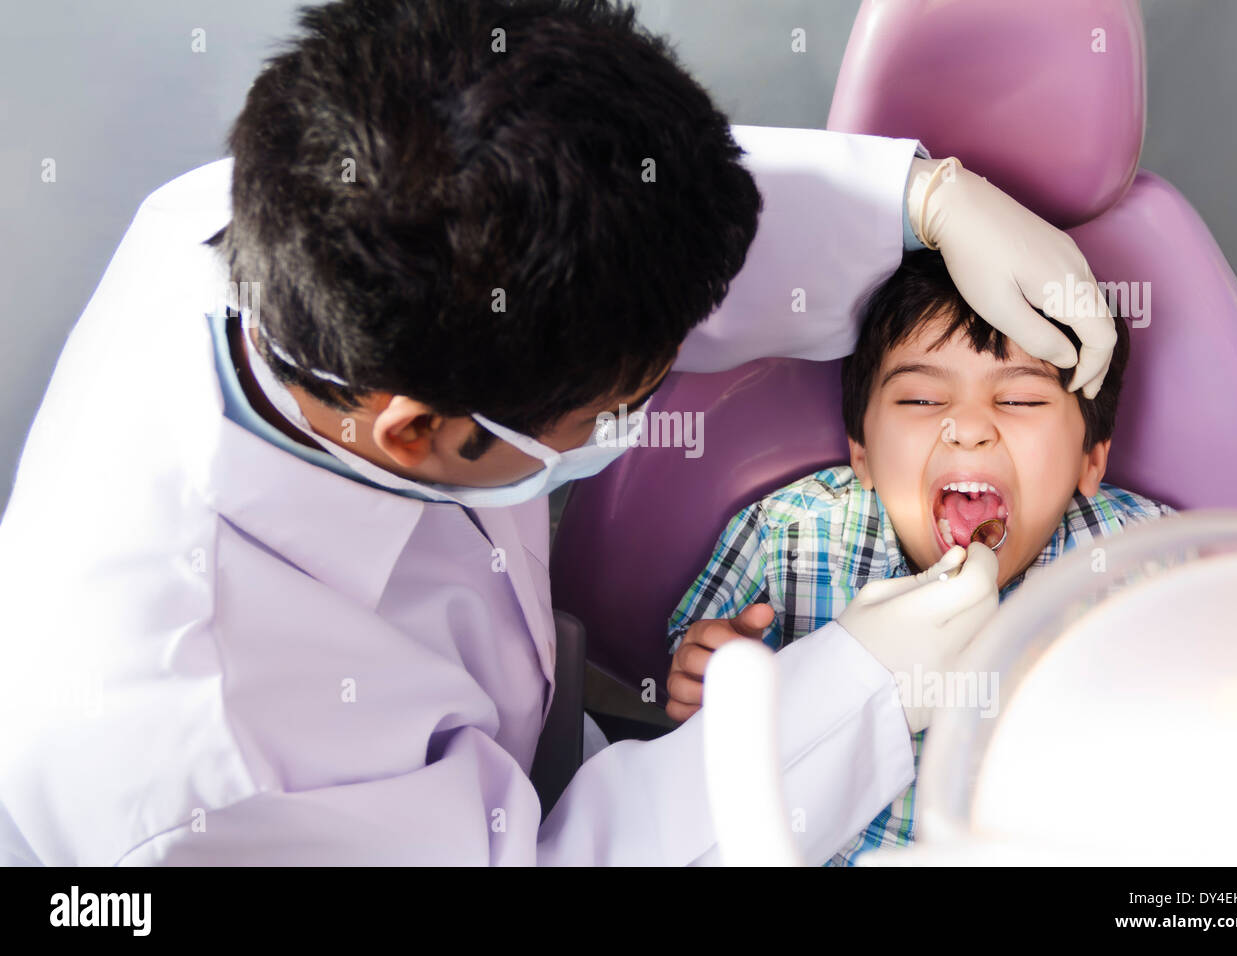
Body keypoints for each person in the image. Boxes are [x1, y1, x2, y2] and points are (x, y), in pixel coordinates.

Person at [0, 0, 1117, 865]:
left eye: (1022, 402)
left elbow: (581, 210)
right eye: (624, 402)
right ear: (418, 433)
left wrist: (921, 201)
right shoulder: (206, 769)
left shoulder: (306, 205)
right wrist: (858, 693)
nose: (969, 426)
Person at [666, 249, 1175, 863]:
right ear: (862, 451)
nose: (967, 427)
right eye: (921, 401)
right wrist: (708, 672)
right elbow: (694, 661)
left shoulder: (1140, 556)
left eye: (1020, 401)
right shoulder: (791, 534)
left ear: (1090, 459)